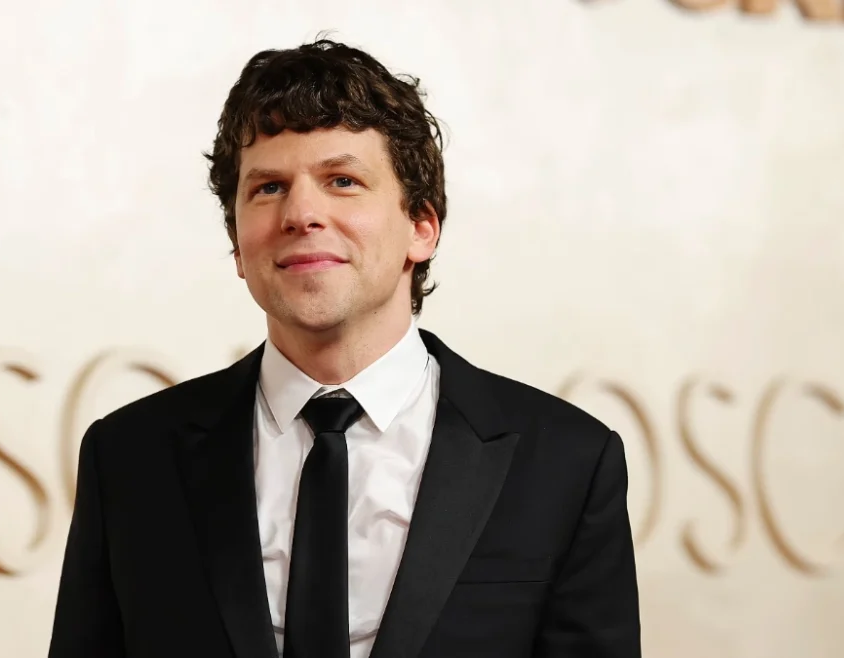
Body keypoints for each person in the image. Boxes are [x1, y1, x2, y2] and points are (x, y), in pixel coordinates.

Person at [47, 38, 640, 658]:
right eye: (269, 188)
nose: (302, 212)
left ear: (422, 228)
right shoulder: (128, 460)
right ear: (237, 247)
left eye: (343, 180)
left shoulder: (567, 463)